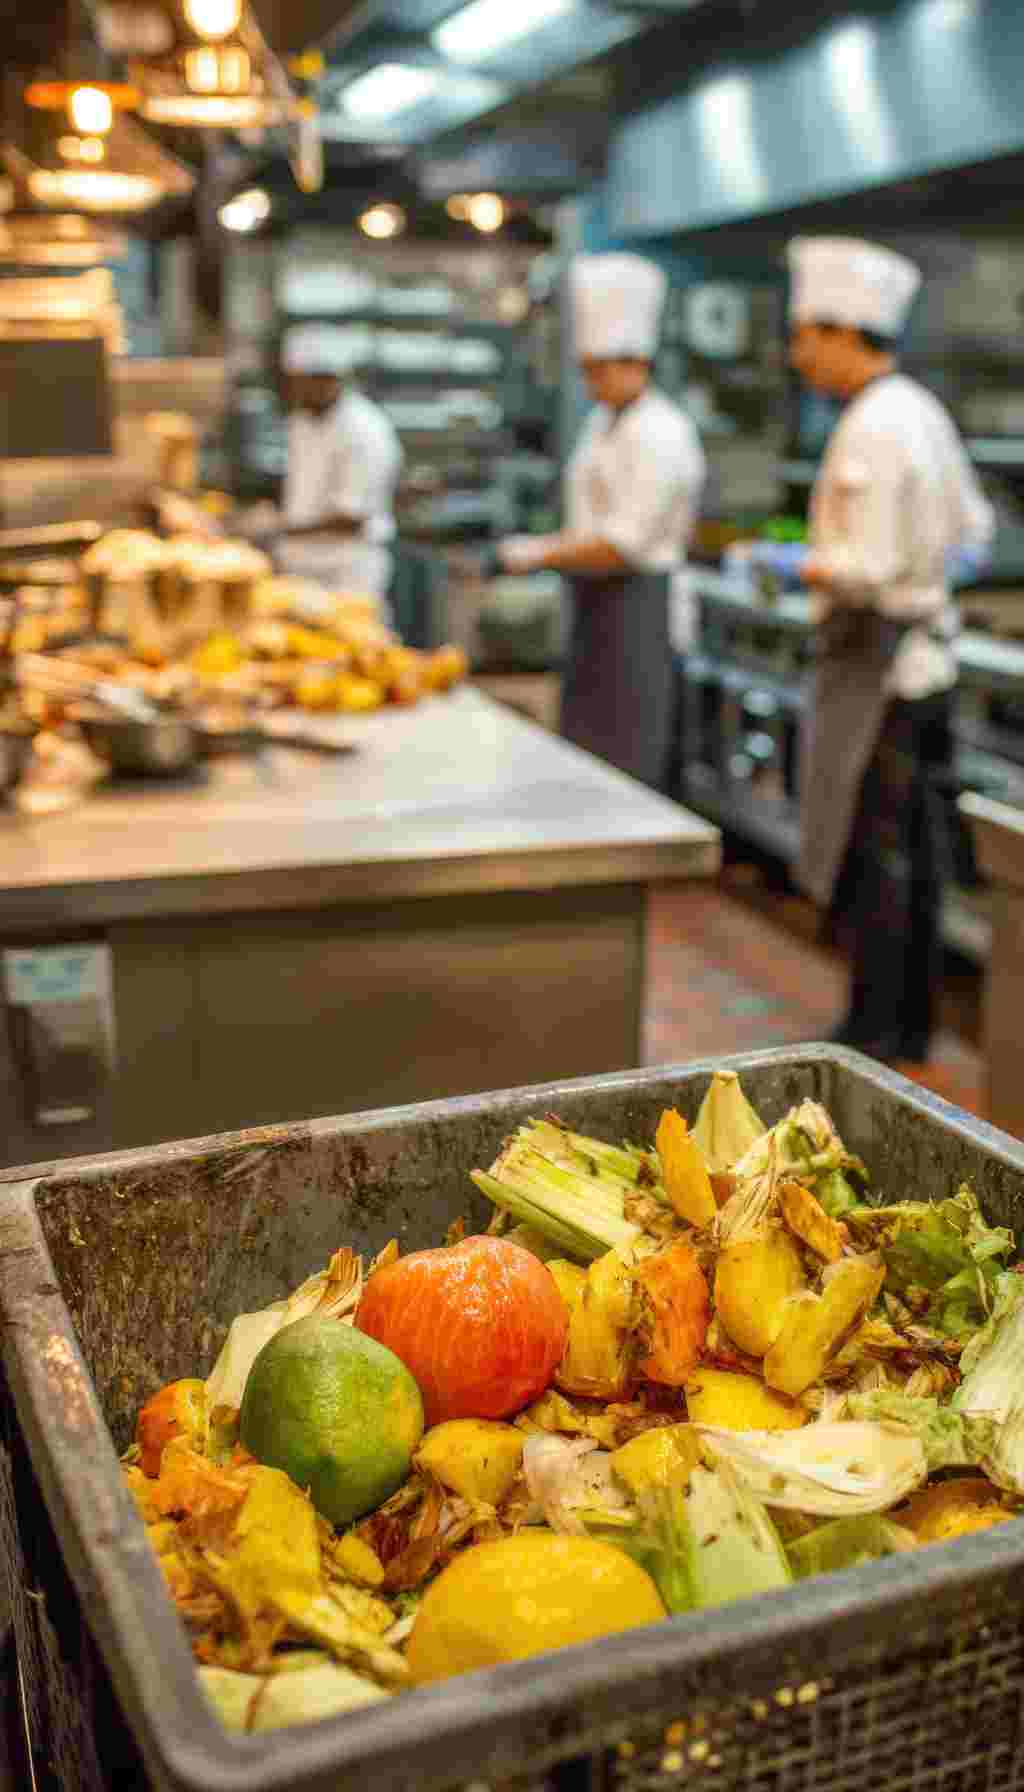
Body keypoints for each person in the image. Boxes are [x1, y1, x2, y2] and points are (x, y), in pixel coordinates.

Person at [758, 236, 994, 1063]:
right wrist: (935, 577)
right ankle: (911, 1025)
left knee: (878, 855)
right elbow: (977, 536)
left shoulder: (872, 426)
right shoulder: (922, 412)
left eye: (804, 339)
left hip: (883, 668)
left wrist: (791, 562)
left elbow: (870, 568)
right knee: (918, 857)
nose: (798, 357)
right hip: (929, 664)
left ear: (843, 333)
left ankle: (870, 1034)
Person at [497, 253, 706, 789]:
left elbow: (623, 546)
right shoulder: (603, 423)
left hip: (642, 610)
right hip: (596, 607)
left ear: (633, 363)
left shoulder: (662, 434)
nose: (589, 383)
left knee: (632, 765)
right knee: (589, 758)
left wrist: (537, 553)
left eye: (596, 371)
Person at [276, 324, 403, 604]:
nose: (298, 390)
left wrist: (277, 526)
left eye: (307, 382)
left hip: (347, 571)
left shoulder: (365, 429)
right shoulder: (302, 422)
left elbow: (351, 517)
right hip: (300, 567)